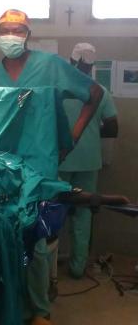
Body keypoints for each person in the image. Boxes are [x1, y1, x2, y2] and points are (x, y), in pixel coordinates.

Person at [0, 9, 104, 325]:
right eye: (5, 30)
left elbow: (94, 93)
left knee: (37, 241)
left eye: (17, 30)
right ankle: (11, 302)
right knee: (4, 238)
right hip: (2, 167)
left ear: (28, 35)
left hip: (40, 166)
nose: (10, 36)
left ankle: (39, 309)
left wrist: (71, 139)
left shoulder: (50, 65)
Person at [59, 43, 118, 279]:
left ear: (70, 62)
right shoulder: (100, 91)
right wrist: (90, 132)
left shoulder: (59, 89)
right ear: (92, 66)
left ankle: (48, 270)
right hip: (89, 161)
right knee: (83, 213)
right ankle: (77, 267)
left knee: (52, 209)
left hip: (61, 160)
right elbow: (112, 128)